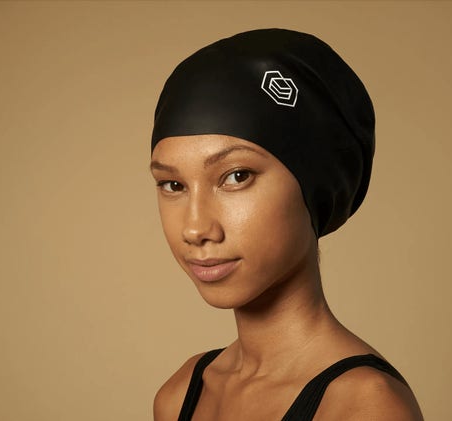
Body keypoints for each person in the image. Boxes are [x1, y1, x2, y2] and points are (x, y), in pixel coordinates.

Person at [149, 29, 423, 421]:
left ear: (315, 183)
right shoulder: (179, 396)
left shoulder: (364, 406)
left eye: (237, 176)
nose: (195, 229)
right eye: (173, 185)